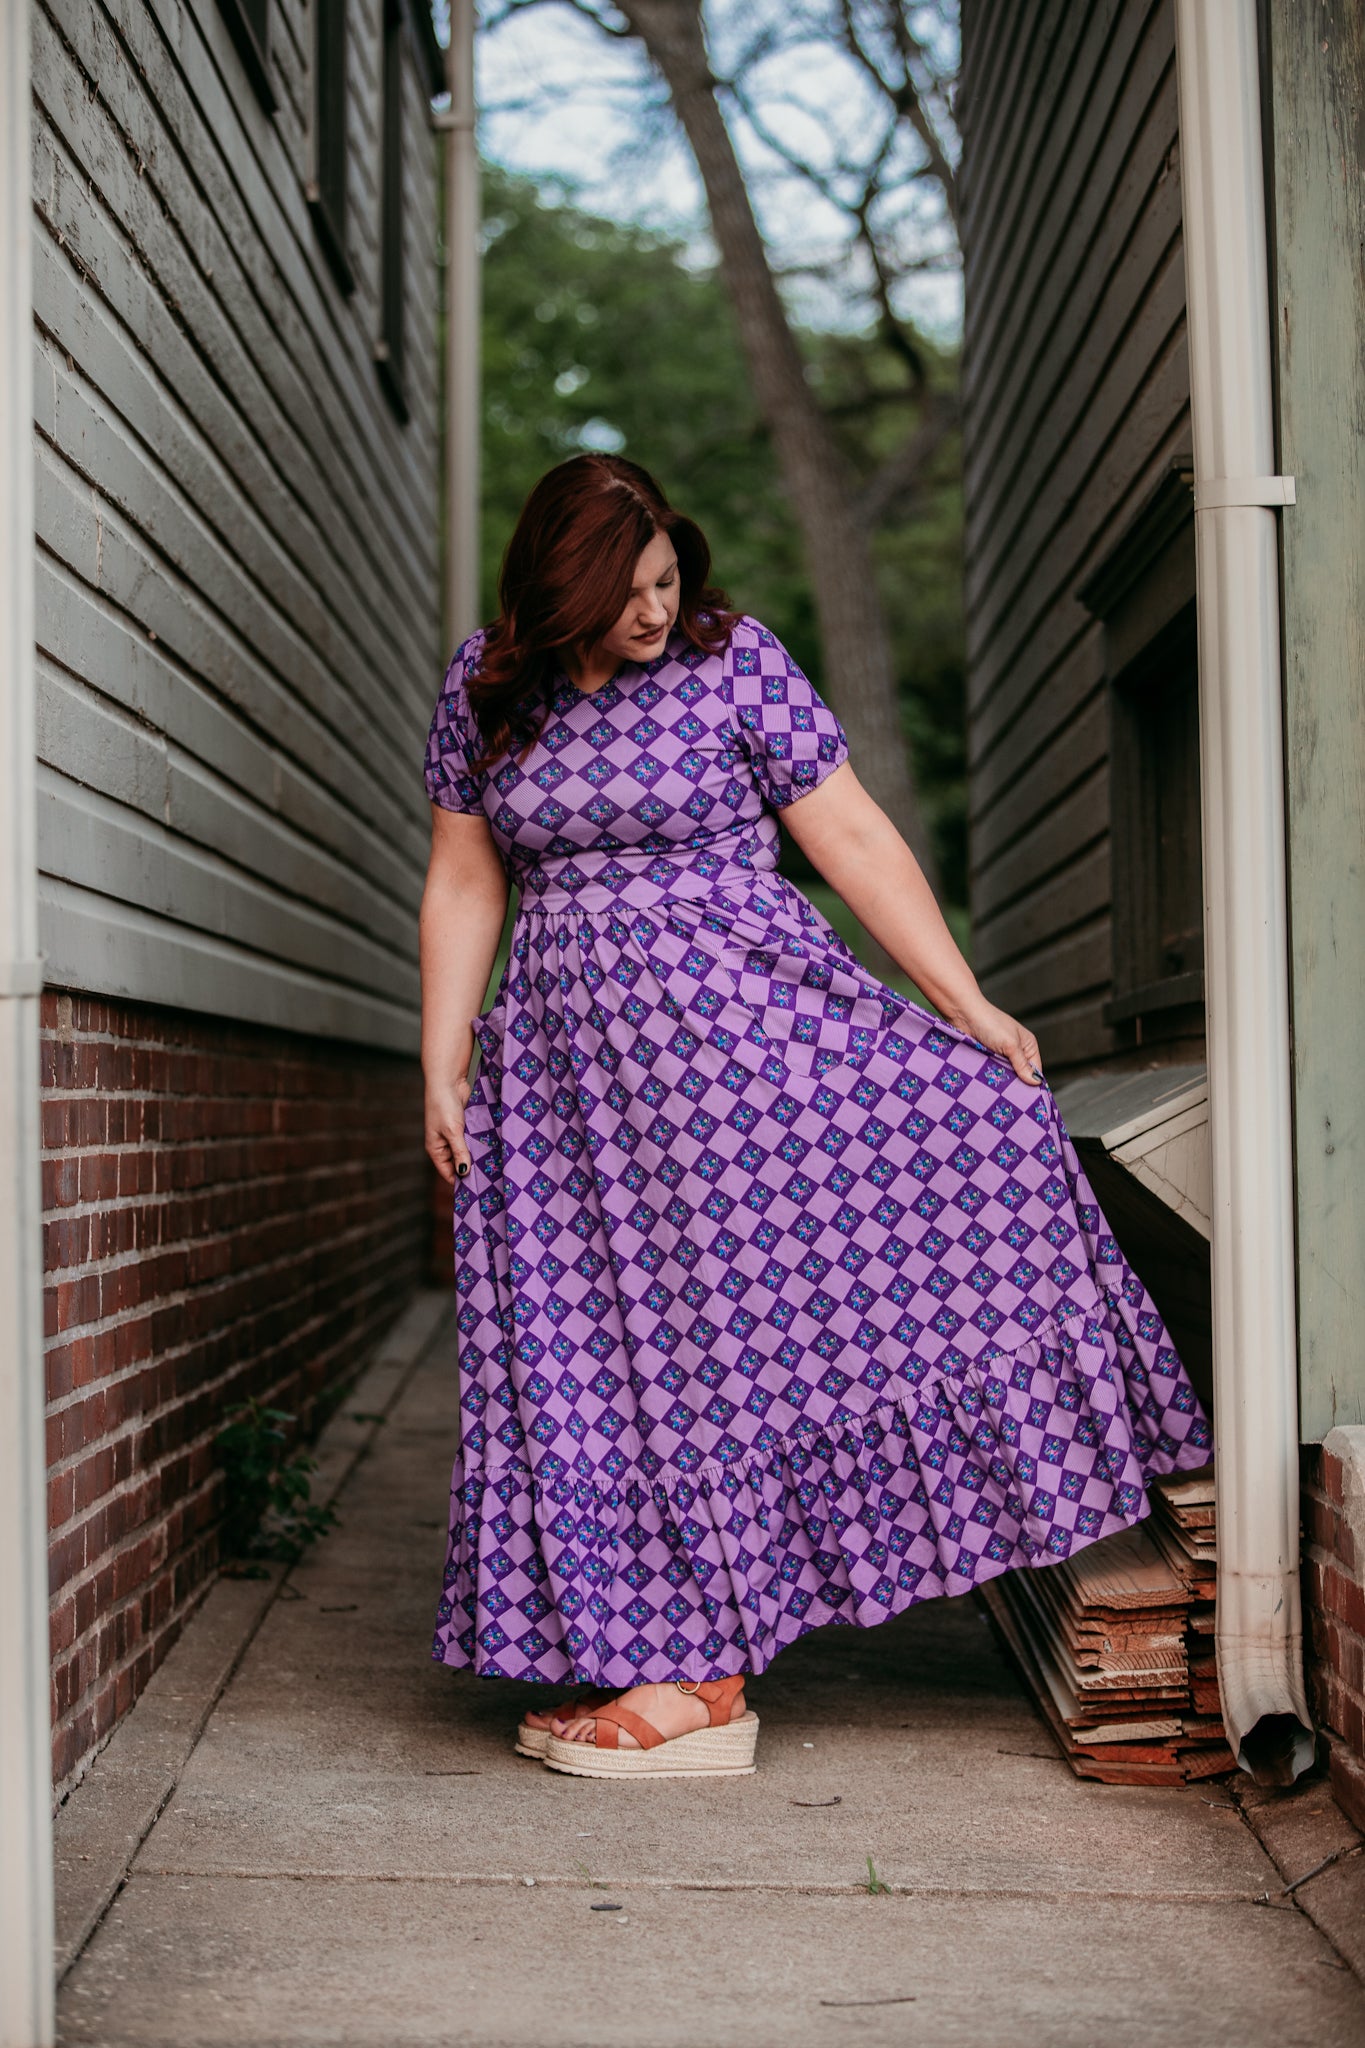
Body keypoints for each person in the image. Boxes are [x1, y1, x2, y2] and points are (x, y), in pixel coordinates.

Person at [419, 453, 1211, 1780]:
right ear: (559, 589)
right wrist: (442, 1058)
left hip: (750, 1057)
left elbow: (849, 836)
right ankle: (664, 1652)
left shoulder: (733, 661)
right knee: (610, 1359)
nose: (654, 612)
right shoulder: (488, 684)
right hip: (570, 1094)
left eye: (667, 581)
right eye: (626, 592)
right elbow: (462, 878)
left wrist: (962, 1002)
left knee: (729, 1340)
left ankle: (699, 1678)